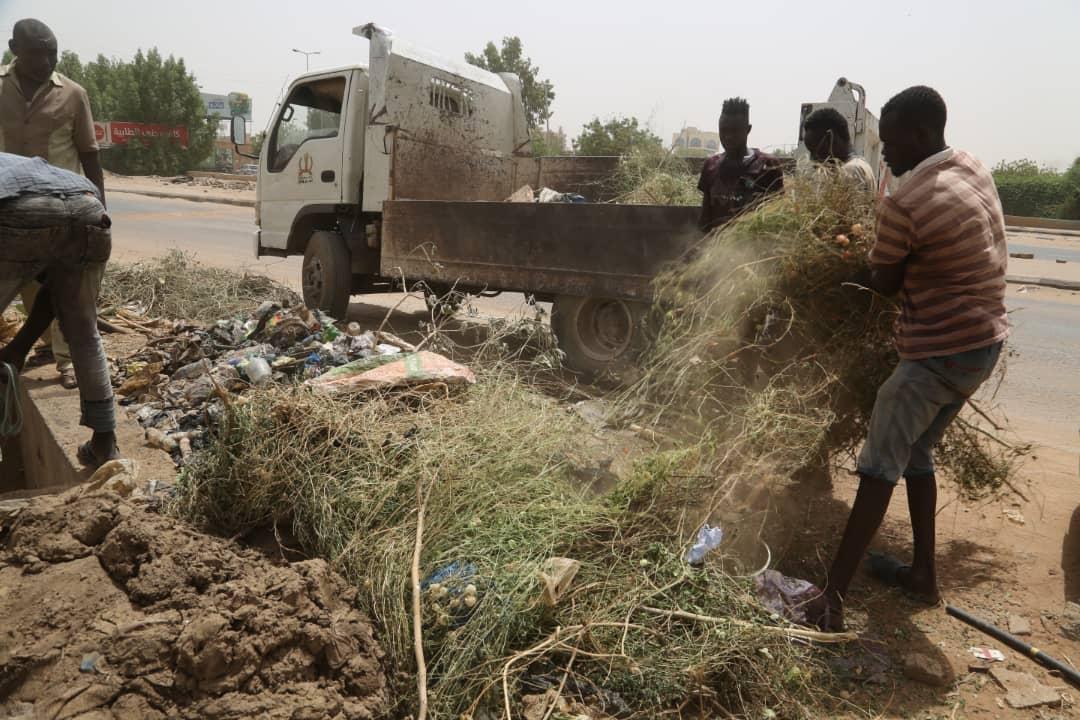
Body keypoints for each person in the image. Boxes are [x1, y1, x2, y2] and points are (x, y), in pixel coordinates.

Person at [809, 86, 1009, 632]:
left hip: (938, 354)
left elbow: (886, 284)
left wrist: (853, 264)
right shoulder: (972, 166)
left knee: (878, 468)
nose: (885, 152)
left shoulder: (905, 202)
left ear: (920, 135)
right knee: (919, 452)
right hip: (984, 345)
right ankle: (923, 574)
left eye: (891, 142)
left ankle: (831, 598)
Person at [0, 18, 106, 390]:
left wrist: (101, 212)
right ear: (15, 49)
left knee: (69, 289)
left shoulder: (73, 94)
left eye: (52, 53)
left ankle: (68, 360)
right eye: (37, 53)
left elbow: (89, 155)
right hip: (11, 212)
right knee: (28, 286)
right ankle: (35, 344)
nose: (46, 61)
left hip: (65, 211)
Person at [0, 152, 118, 467]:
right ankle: (105, 443)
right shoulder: (15, 163)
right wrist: (19, 346)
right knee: (83, 331)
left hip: (23, 212)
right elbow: (54, 288)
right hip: (88, 208)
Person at [697, 98, 784, 231]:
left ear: (748, 130)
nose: (728, 137)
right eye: (723, 130)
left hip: (753, 248)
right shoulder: (710, 165)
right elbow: (705, 217)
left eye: (734, 131)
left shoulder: (768, 166)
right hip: (715, 248)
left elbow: (777, 218)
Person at [801, 107, 877, 194]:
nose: (813, 159)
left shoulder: (851, 170)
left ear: (830, 138)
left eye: (815, 150)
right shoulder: (859, 164)